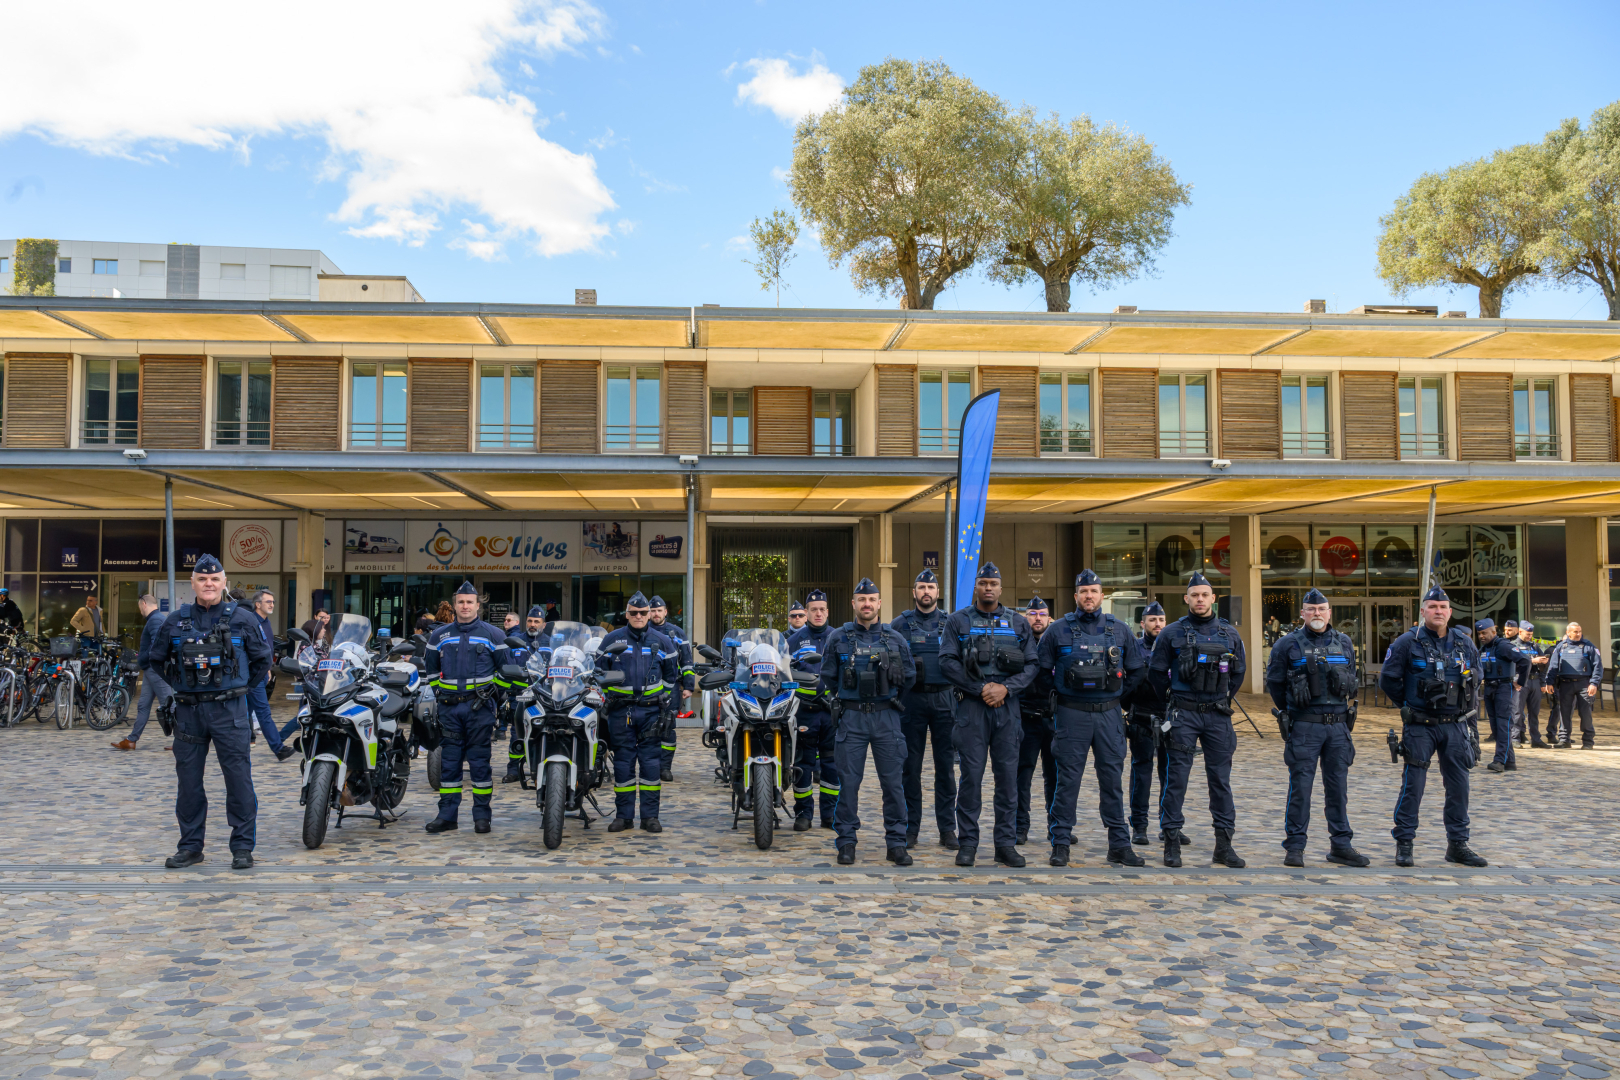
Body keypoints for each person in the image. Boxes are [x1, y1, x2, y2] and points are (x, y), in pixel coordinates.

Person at [152, 555, 272, 870]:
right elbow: (154, 659)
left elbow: (263, 660)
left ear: (224, 583)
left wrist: (241, 688)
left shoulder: (243, 618)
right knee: (188, 783)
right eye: (202, 579)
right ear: (192, 583)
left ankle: (242, 848)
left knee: (239, 780)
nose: (209, 584)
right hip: (189, 712)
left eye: (215, 579)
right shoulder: (175, 620)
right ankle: (190, 848)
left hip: (229, 710)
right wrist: (181, 685)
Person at [1037, 571, 1146, 868]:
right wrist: (1060, 697)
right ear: (1076, 596)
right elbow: (1041, 671)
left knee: (1112, 782)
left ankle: (1119, 845)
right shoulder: (1057, 631)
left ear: (1101, 595)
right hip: (1072, 715)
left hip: (1109, 715)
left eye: (1094, 591)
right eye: (1083, 591)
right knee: (1067, 781)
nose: (1089, 596)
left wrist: (1118, 695)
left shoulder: (1120, 630)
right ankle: (1060, 843)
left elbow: (1137, 669)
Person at [1379, 585, 1488, 868]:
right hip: (1420, 725)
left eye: (1443, 608)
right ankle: (1404, 842)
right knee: (1413, 785)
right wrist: (1409, 704)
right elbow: (1388, 680)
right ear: (1423, 611)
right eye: (1433, 607)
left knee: (1459, 786)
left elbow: (1475, 683)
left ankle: (1458, 844)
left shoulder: (1465, 643)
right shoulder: (1406, 642)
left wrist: (1472, 727)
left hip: (1455, 725)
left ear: (1450, 612)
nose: (1438, 611)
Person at [940, 562, 1037, 868]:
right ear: (976, 587)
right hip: (972, 708)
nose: (988, 588)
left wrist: (1005, 689)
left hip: (1007, 710)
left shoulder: (1019, 623)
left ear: (1001, 588)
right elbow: (947, 661)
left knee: (1008, 780)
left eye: (993, 583)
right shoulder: (958, 621)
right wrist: (982, 687)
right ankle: (968, 843)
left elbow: (1033, 665)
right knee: (971, 778)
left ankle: (1005, 845)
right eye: (983, 583)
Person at [1147, 571, 1247, 869]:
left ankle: (1224, 845)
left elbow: (1239, 672)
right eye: (1195, 595)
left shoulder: (1229, 633)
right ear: (1186, 599)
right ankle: (1172, 841)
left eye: (1205, 595)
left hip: (1217, 714)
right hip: (1184, 713)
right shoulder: (1171, 633)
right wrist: (1174, 700)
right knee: (1176, 778)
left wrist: (1223, 699)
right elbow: (1155, 673)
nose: (1200, 599)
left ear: (1213, 598)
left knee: (1221, 780)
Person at [1264, 590, 1369, 867]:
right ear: (1302, 613)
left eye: (1322, 609)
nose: (1317, 614)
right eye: (1311, 609)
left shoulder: (1344, 642)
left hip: (1337, 727)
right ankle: (1295, 846)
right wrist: (1293, 709)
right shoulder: (1287, 644)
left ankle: (1341, 845)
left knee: (1338, 788)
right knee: (1301, 788)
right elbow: (1275, 684)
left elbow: (1352, 677)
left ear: (1330, 612)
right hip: (1305, 726)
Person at [817, 578, 914, 865]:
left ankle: (896, 843)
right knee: (848, 782)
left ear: (879, 603)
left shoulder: (895, 639)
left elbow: (909, 677)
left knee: (893, 784)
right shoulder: (838, 637)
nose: (867, 604)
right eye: (862, 600)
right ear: (854, 604)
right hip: (853, 717)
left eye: (872, 599)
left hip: (887, 717)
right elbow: (828, 676)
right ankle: (846, 842)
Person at [424, 582, 512, 835]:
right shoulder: (438, 636)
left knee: (480, 765)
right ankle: (446, 816)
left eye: (469, 602)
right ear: (454, 605)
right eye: (460, 602)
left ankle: (482, 818)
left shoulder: (494, 635)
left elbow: (506, 672)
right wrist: (439, 692)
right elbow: (430, 669)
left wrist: (492, 692)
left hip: (480, 709)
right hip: (449, 709)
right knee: (449, 765)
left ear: (478, 605)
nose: (465, 606)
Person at [596, 592, 680, 832]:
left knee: (651, 765)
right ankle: (624, 817)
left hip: (651, 712)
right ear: (627, 614)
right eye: (634, 612)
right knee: (622, 764)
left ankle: (650, 818)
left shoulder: (662, 641)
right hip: (621, 711)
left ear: (649, 614)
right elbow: (598, 672)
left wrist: (658, 698)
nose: (639, 616)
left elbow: (671, 676)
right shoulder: (612, 639)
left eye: (643, 613)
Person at [889, 570, 958, 850]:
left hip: (945, 700)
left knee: (946, 769)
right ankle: (910, 828)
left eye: (930, 586)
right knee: (910, 769)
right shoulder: (900, 624)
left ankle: (947, 829)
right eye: (921, 587)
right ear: (914, 592)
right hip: (912, 702)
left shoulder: (952, 623)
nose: (926, 591)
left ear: (937, 592)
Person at [787, 590, 838, 830]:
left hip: (832, 713)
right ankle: (803, 814)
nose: (818, 613)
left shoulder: (838, 637)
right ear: (806, 612)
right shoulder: (793, 641)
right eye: (813, 609)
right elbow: (783, 674)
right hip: (804, 712)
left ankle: (830, 814)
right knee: (803, 766)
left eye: (822, 609)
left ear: (827, 612)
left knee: (831, 765)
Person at [1126, 602, 1174, 847]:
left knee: (1170, 775)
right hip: (1142, 719)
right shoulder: (1133, 648)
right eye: (1153, 620)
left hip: (1169, 719)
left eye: (1161, 620)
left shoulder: (1174, 646)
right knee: (1142, 774)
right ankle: (1139, 825)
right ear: (1142, 623)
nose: (1158, 624)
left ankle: (1169, 826)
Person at [1013, 597, 1056, 848]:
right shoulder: (1017, 642)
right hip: (1026, 717)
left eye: (1042, 614)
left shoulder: (1059, 641)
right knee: (1022, 775)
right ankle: (1020, 826)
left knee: (1056, 776)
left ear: (1049, 617)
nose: (1037, 618)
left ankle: (1057, 825)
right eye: (1032, 614)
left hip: (1053, 718)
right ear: (1025, 617)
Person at [111, 593, 171, 751]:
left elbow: (156, 645)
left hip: (154, 669)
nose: (140, 611)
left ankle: (183, 741)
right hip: (151, 669)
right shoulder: (156, 619)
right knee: (143, 705)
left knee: (169, 705)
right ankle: (131, 740)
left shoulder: (155, 619)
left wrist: (142, 659)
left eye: (139, 607)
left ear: (144, 604)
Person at [501, 605, 551, 784]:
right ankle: (514, 770)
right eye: (530, 621)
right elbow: (507, 666)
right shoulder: (515, 640)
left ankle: (545, 768)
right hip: (520, 696)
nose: (532, 624)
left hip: (545, 697)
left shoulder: (551, 643)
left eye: (536, 621)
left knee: (546, 732)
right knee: (517, 734)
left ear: (543, 625)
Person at [244, 589, 296, 761]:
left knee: (244, 713)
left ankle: (239, 743)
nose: (272, 604)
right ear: (258, 604)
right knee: (263, 712)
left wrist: (268, 669)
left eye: (273, 602)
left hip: (261, 672)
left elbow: (267, 648)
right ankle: (278, 748)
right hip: (253, 675)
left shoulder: (266, 622)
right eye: (268, 602)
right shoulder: (251, 622)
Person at [649, 595, 694, 783]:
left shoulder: (677, 633)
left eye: (659, 610)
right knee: (648, 726)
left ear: (665, 612)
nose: (656, 614)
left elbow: (686, 661)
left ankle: (665, 768)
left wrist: (689, 686)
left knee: (668, 726)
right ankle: (650, 766)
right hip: (648, 688)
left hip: (672, 686)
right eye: (653, 611)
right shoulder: (642, 631)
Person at [1476, 618, 1529, 772]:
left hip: (1504, 688)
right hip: (1490, 688)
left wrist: (1520, 682)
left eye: (1484, 633)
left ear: (1494, 631)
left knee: (1503, 725)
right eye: (1480, 633)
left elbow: (1525, 661)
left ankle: (1499, 761)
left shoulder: (1503, 646)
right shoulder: (1484, 649)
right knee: (1496, 726)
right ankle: (1510, 761)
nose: (1482, 636)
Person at [1543, 622, 1602, 750]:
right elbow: (1553, 666)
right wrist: (1549, 682)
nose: (1578, 634)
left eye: (1580, 631)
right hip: (1565, 684)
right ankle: (1564, 740)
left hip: (1584, 684)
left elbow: (1598, 666)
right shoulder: (1561, 647)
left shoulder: (1588, 646)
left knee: (1585, 713)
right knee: (1564, 712)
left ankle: (1588, 741)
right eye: (1575, 631)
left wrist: (1594, 683)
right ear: (1568, 632)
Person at [1515, 621, 1550, 748]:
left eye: (1531, 634)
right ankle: (1515, 738)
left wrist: (1543, 662)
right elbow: (1512, 663)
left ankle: (1536, 739)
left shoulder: (1534, 646)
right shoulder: (1513, 646)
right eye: (1527, 634)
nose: (1529, 637)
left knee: (1534, 712)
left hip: (1534, 680)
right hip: (1520, 681)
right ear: (1520, 632)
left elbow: (1543, 664)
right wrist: (1531, 660)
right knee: (1517, 711)